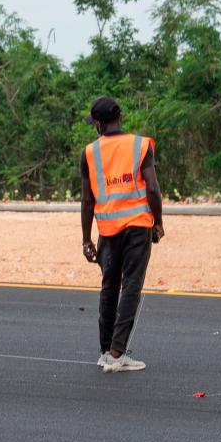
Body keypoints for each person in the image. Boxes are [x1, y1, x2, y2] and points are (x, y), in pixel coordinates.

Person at [79, 96, 163, 372]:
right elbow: (152, 188)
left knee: (109, 286)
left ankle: (106, 350)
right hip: (138, 225)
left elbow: (87, 200)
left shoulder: (90, 152)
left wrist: (86, 238)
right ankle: (117, 354)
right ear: (120, 117)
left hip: (107, 228)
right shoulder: (140, 145)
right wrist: (158, 222)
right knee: (132, 286)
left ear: (99, 124)